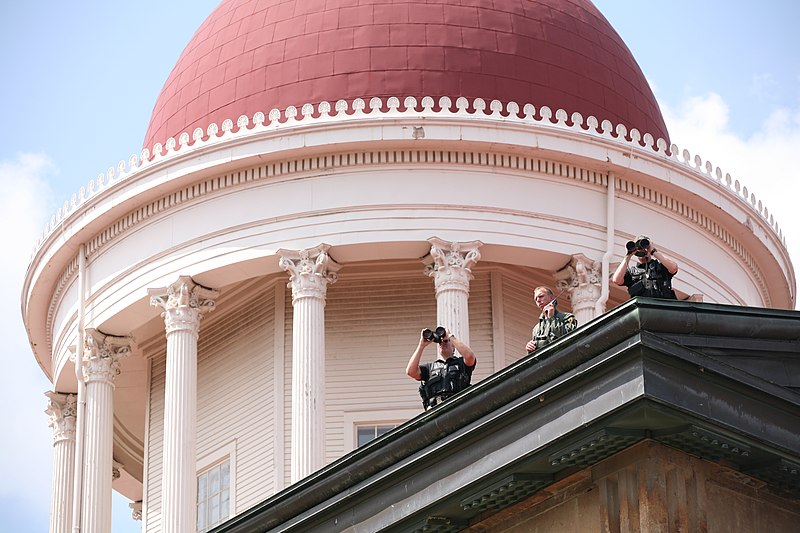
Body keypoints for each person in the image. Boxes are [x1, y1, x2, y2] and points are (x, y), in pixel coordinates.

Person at [406, 327, 477, 410]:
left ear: (453, 347)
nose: (442, 343)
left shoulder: (461, 363)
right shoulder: (429, 368)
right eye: (440, 342)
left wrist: (450, 337)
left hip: (458, 409)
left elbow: (470, 357)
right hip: (436, 412)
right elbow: (410, 371)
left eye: (446, 341)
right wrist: (421, 345)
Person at [612, 235, 679, 299]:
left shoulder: (661, 266)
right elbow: (616, 280)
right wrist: (628, 256)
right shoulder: (632, 273)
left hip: (663, 307)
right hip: (643, 308)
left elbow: (674, 268)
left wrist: (653, 251)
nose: (641, 250)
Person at [525, 286, 577, 354]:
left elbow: (569, 337)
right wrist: (530, 348)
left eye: (541, 296)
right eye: (536, 299)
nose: (538, 300)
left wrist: (551, 318)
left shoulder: (567, 317)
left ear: (552, 297)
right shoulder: (536, 329)